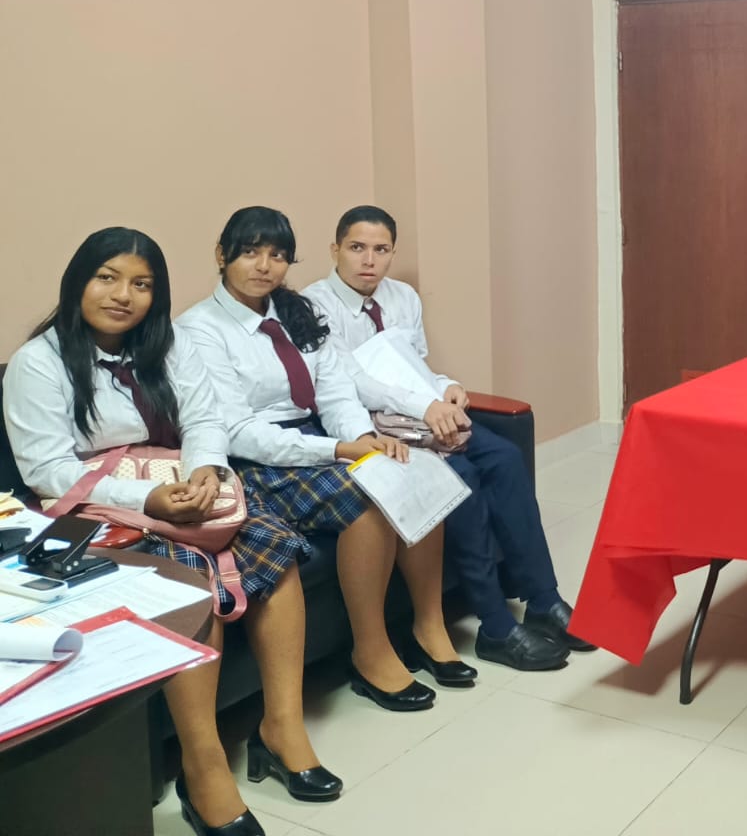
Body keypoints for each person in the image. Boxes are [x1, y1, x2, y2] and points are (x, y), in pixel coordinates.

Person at [3, 229, 338, 836]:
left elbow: (205, 418)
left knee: (273, 546)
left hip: (174, 479)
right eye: (107, 278)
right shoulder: (39, 363)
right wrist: (146, 499)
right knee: (185, 580)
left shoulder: (169, 344)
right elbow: (47, 469)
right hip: (91, 506)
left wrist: (206, 470)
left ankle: (281, 727)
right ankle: (202, 766)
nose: (123, 295)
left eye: (141, 284)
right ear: (78, 282)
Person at [175, 206, 458, 715]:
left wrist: (364, 437)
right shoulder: (199, 329)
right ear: (222, 255)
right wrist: (341, 450)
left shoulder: (297, 310)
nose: (264, 266)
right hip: (258, 458)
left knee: (414, 469)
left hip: (322, 437)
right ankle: (370, 651)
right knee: (367, 499)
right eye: (250, 252)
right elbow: (236, 431)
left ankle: (429, 624)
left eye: (277, 255)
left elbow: (335, 391)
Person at [301, 205, 580, 669]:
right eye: (356, 248)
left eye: (380, 249)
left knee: (505, 458)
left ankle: (543, 599)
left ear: (393, 253)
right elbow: (351, 381)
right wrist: (425, 407)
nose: (368, 260)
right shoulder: (314, 305)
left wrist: (447, 388)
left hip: (426, 414)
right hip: (372, 426)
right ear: (335, 250)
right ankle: (495, 626)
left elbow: (415, 364)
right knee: (461, 478)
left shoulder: (403, 297)